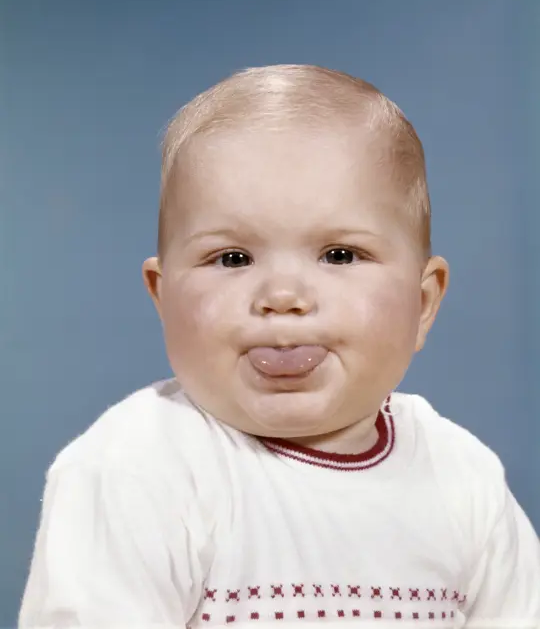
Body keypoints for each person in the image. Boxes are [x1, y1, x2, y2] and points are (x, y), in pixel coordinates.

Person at [19, 65, 540, 628]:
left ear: (424, 303)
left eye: (340, 255)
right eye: (233, 258)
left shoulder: (462, 478)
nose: (283, 296)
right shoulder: (137, 468)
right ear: (162, 297)